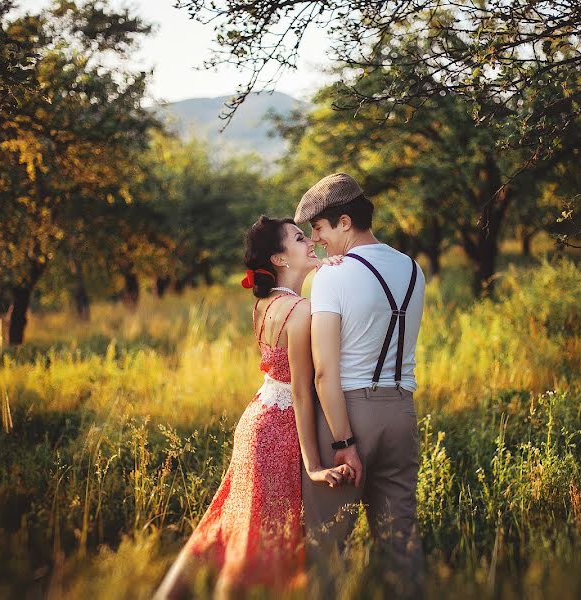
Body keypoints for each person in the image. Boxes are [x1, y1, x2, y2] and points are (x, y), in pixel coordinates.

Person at [153, 216, 353, 600]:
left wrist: (325, 266)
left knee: (229, 523)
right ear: (279, 258)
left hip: (255, 420)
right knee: (256, 542)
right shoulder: (301, 312)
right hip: (277, 431)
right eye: (299, 238)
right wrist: (313, 465)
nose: (310, 241)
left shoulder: (266, 302)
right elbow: (301, 391)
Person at [295, 173, 426, 596]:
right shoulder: (413, 268)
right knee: (401, 543)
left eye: (319, 230)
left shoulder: (333, 277)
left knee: (329, 544)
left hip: (349, 412)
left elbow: (323, 373)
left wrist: (343, 440)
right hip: (402, 411)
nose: (316, 242)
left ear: (345, 222)